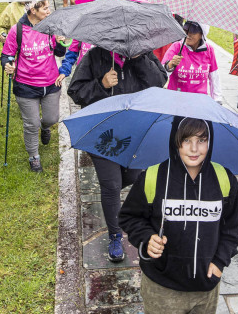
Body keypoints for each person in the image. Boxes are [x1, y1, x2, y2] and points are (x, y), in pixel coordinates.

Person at [120, 117, 238, 314]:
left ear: (211, 141)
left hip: (205, 286)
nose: (194, 149)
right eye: (186, 140)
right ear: (175, 142)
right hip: (163, 283)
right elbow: (130, 216)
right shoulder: (154, 177)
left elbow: (234, 226)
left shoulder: (223, 179)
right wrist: (147, 239)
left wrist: (220, 261)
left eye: (202, 140)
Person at [67, 46, 167, 262]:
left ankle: (108, 193)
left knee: (133, 176)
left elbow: (159, 83)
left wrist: (140, 59)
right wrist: (101, 84)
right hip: (102, 132)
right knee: (111, 185)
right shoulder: (95, 56)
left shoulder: (145, 55)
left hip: (134, 132)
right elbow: (75, 91)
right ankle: (115, 236)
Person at [1, 0, 75, 172]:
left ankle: (45, 127)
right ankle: (34, 156)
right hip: (26, 85)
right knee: (31, 124)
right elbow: (6, 55)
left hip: (50, 82)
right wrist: (7, 65)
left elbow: (58, 52)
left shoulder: (50, 27)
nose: (49, 11)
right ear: (33, 10)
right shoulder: (17, 30)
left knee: (51, 118)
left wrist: (61, 42)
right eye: (45, 8)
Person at [162, 21, 222, 102]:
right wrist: (170, 64)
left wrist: (217, 100)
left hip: (199, 102)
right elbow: (161, 74)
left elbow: (214, 77)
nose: (188, 35)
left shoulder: (209, 50)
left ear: (201, 34)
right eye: (186, 30)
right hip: (176, 100)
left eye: (193, 31)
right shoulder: (176, 47)